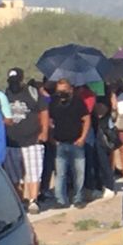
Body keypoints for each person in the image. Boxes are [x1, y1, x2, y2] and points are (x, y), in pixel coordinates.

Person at [6, 68, 48, 213]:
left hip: (32, 139)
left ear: (22, 80)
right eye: (11, 82)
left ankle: (33, 200)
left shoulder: (32, 93)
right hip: (11, 142)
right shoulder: (5, 95)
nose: (14, 84)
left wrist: (44, 131)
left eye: (16, 81)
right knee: (14, 175)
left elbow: (44, 111)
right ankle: (20, 201)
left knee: (33, 171)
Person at [49, 79, 91, 208]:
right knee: (60, 174)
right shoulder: (53, 103)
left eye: (64, 90)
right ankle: (60, 200)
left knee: (79, 172)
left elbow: (86, 119)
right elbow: (49, 121)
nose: (61, 93)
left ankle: (78, 197)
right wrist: (51, 138)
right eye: (59, 90)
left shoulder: (78, 102)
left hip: (76, 143)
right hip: (60, 143)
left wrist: (83, 137)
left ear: (70, 89)